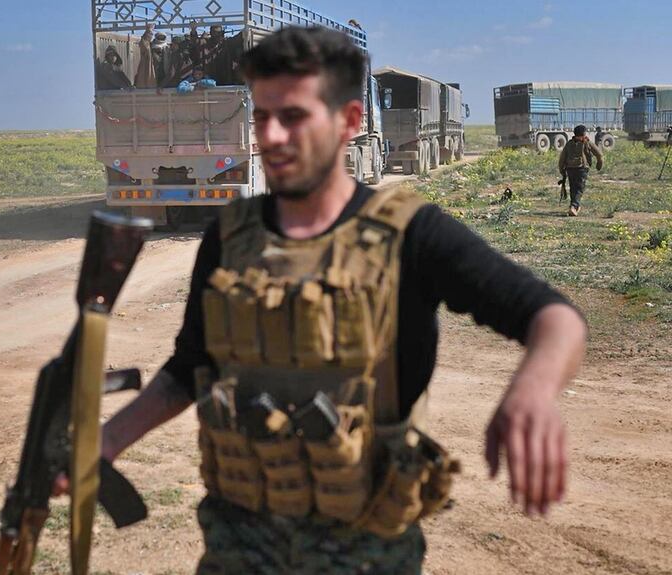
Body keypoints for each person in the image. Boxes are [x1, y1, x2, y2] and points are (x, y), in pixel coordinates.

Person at [60, 26, 586, 574]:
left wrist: (533, 391)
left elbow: (554, 319)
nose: (273, 137)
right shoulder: (231, 236)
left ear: (349, 122)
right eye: (261, 117)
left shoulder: (409, 235)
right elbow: (191, 365)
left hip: (361, 551)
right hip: (239, 544)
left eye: (294, 117)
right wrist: (106, 441)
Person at [559, 124, 604, 216]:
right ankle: (573, 206)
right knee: (579, 188)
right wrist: (599, 165)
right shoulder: (587, 142)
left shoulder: (569, 144)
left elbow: (562, 158)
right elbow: (599, 154)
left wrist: (562, 170)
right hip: (581, 169)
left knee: (573, 188)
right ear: (584, 134)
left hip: (570, 169)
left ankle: (574, 206)